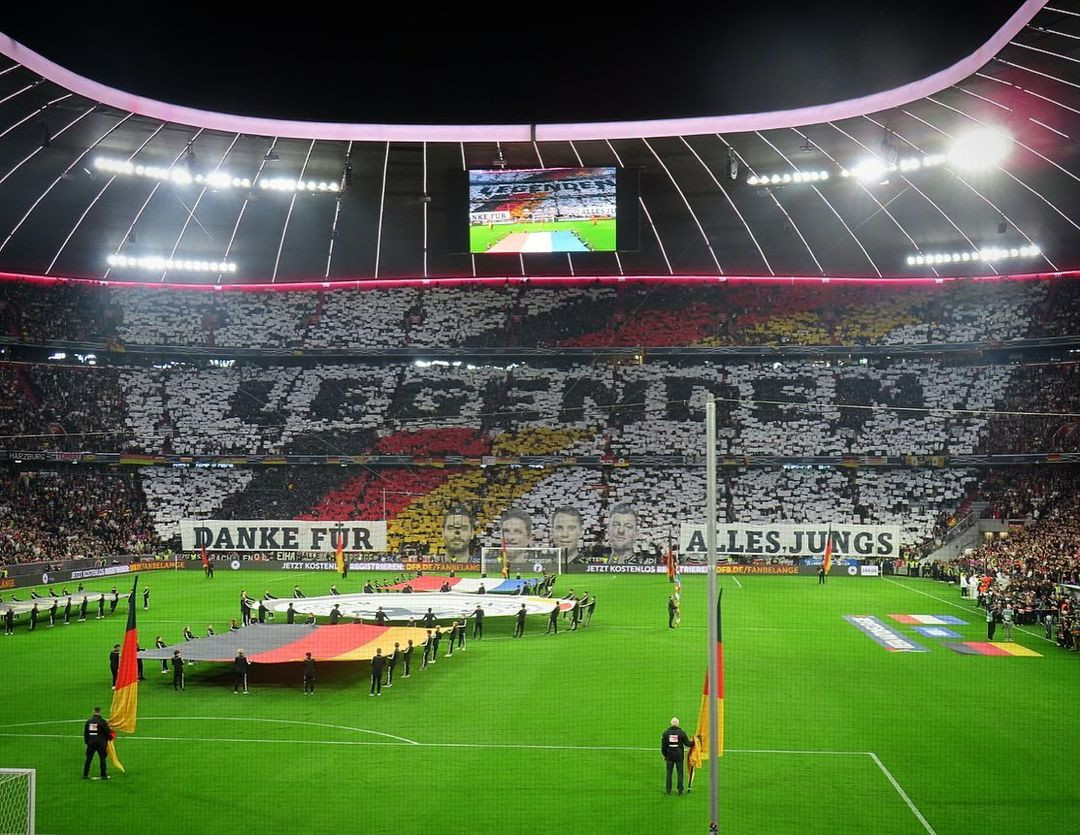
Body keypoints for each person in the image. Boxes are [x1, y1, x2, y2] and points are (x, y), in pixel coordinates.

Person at [660, 717, 692, 795]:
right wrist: (695, 741)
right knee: (680, 773)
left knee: (669, 773)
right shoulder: (681, 733)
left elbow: (663, 747)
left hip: (669, 755)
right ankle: (680, 791)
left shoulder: (666, 733)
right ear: (678, 723)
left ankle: (668, 790)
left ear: (671, 723)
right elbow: (687, 744)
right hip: (679, 755)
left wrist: (665, 755)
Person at [82, 707, 111, 780]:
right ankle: (103, 775)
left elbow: (86, 733)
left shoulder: (89, 722)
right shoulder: (102, 722)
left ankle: (85, 774)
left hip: (91, 743)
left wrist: (87, 742)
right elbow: (107, 732)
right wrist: (110, 737)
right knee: (102, 759)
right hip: (101, 743)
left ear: (93, 712)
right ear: (100, 712)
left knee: (88, 759)